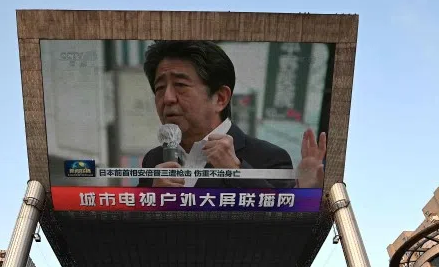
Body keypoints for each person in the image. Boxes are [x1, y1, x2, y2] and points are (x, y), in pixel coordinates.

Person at [138, 40, 326, 189]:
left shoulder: (268, 157)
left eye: (180, 85)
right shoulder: (154, 160)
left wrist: (236, 172)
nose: (167, 98)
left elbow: (283, 226)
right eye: (160, 88)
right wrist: (152, 201)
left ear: (220, 98)